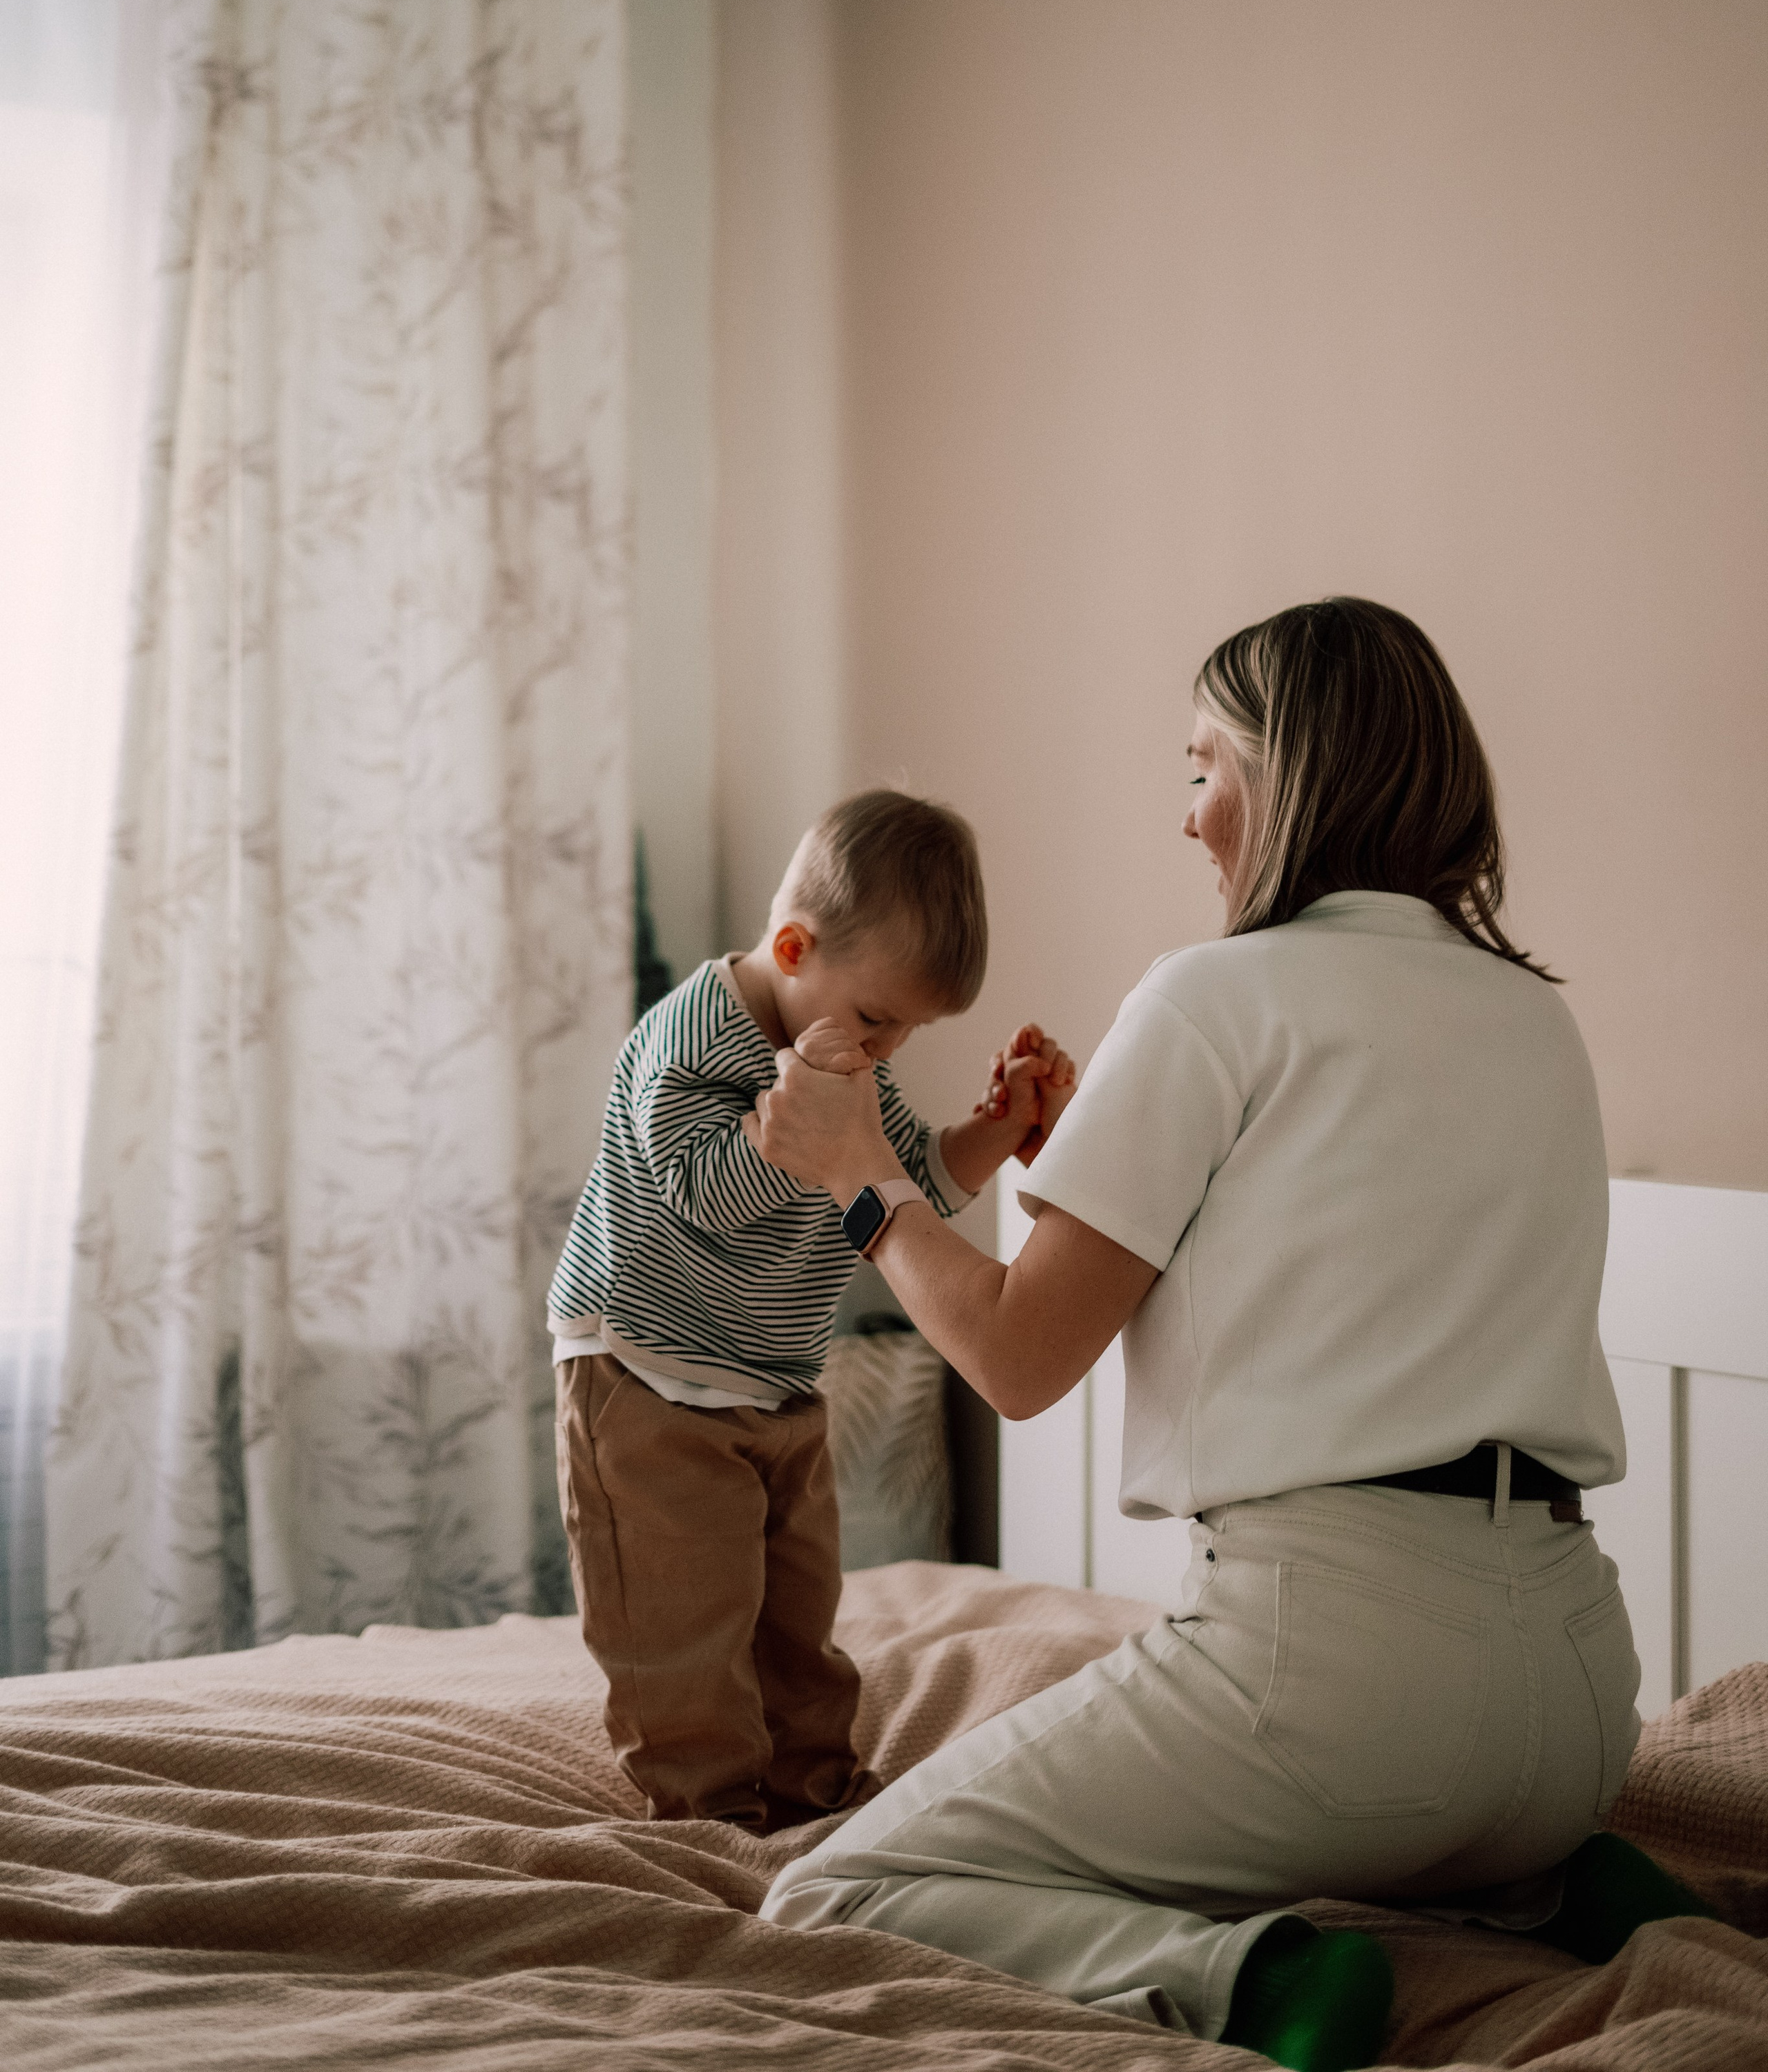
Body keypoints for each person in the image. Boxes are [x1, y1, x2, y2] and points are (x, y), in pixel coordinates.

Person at [752, 602, 1711, 2072]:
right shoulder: (1528, 1017)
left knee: (833, 1885)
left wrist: (856, 1184)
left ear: (1291, 779)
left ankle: (1246, 1982)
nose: (1188, 815)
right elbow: (1336, 1264)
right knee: (1447, 1790)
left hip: (1335, 1683)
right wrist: (1075, 1169)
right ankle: (1541, 1883)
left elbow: (1016, 1362)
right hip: (1575, 1701)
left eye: (1204, 764)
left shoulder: (1210, 996)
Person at [548, 787, 1075, 1833]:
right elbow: (703, 1193)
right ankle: (706, 1815)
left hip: (776, 1384)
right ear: (793, 947)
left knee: (799, 1613)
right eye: (880, 1017)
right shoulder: (692, 1038)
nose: (888, 1050)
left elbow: (904, 1175)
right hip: (644, 1379)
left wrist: (997, 1124)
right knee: (679, 1626)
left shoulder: (847, 1055)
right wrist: (805, 1110)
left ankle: (814, 1790)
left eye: (910, 1032)